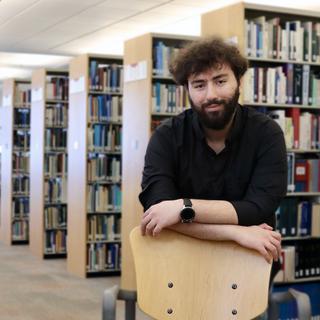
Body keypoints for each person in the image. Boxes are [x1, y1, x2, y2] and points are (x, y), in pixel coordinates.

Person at [138, 36, 287, 266]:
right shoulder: (166, 137)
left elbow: (258, 208)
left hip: (249, 261)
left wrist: (183, 207)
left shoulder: (267, 134)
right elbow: (158, 213)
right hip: (181, 260)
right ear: (186, 89)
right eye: (199, 85)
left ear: (238, 81)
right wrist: (235, 233)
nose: (211, 95)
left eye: (220, 81)